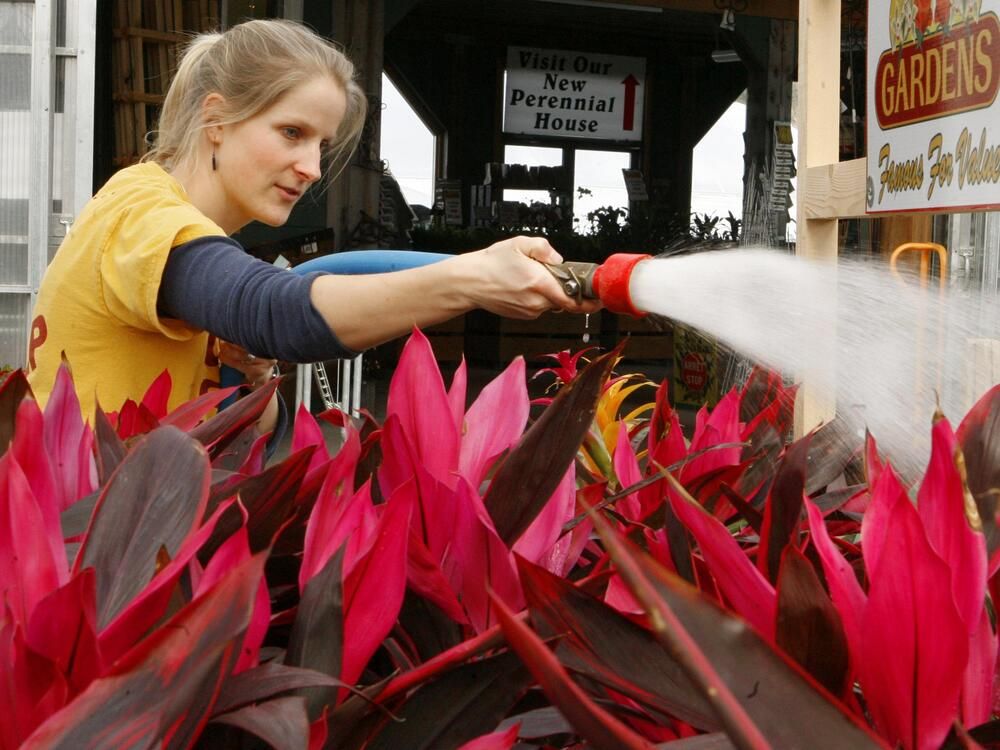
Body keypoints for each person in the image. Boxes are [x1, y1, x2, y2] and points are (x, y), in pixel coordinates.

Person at [26, 19, 598, 445]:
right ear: (216, 119)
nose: (312, 167)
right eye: (291, 132)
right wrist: (470, 279)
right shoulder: (140, 214)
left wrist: (252, 379)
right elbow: (277, 312)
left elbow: (244, 443)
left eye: (320, 144)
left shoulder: (196, 246)